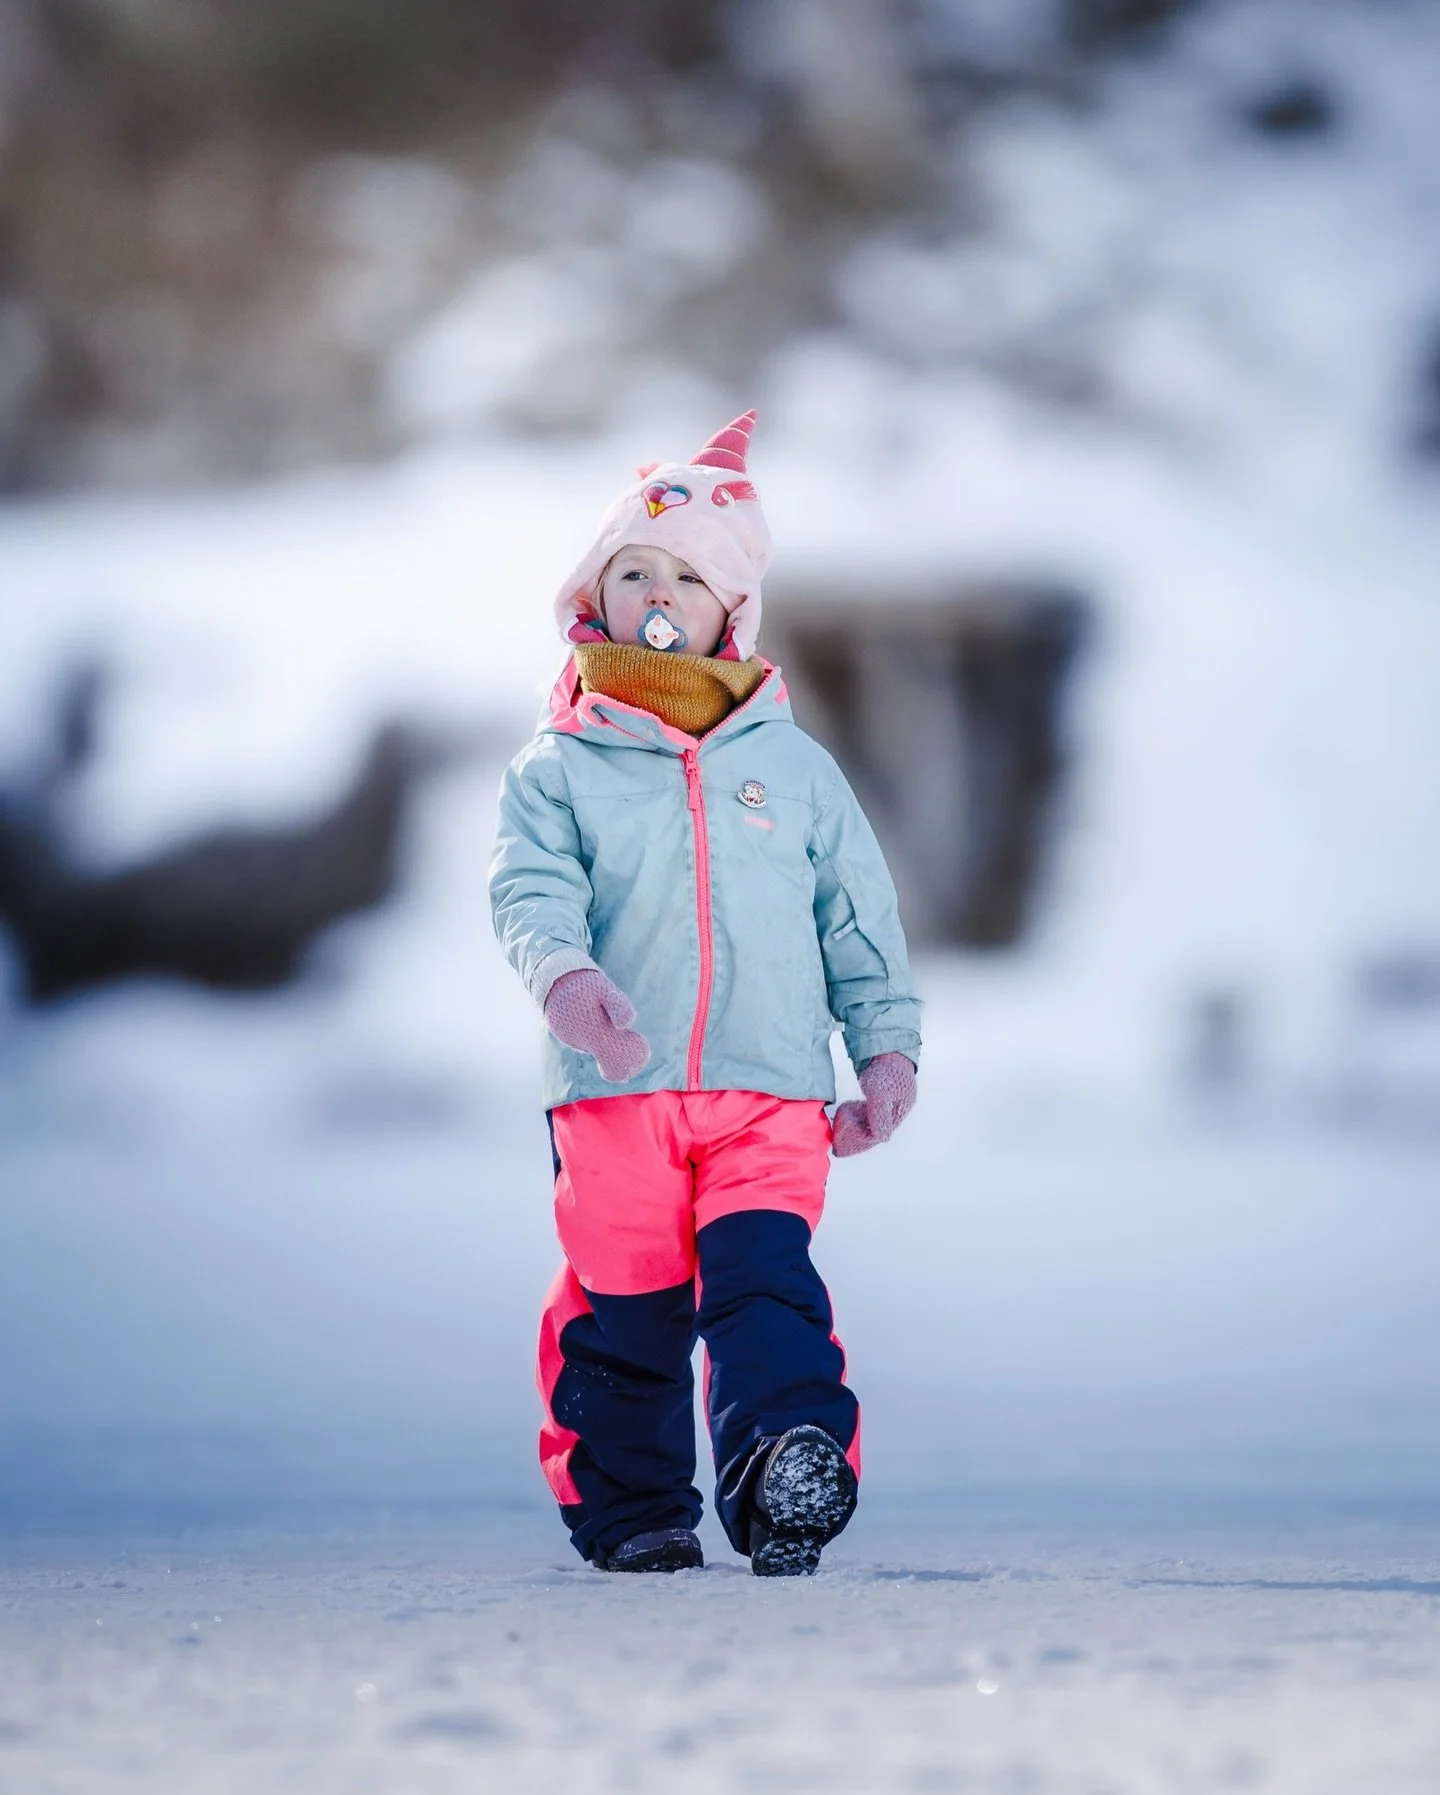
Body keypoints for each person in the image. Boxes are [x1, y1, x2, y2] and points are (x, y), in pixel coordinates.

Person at [489, 411, 922, 1576]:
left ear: (733, 610)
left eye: (685, 572)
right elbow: (528, 891)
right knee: (625, 1314)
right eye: (633, 568)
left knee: (765, 1289)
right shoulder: (560, 762)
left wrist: (883, 1047)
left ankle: (782, 1464)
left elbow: (858, 919)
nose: (656, 590)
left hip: (770, 1087)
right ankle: (633, 1509)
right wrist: (566, 979)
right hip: (617, 1088)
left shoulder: (791, 768)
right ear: (596, 596)